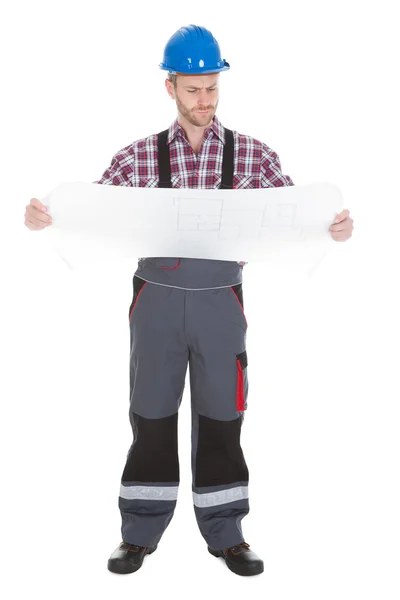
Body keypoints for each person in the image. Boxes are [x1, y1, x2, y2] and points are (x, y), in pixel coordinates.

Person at [24, 24, 354, 577]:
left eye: (212, 88)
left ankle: (226, 533)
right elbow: (94, 217)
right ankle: (139, 534)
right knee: (151, 414)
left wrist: (333, 228)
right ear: (170, 87)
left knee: (223, 414)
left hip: (220, 305)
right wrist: (47, 216)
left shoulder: (253, 156)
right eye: (193, 89)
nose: (204, 100)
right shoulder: (137, 159)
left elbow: (296, 219)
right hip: (154, 304)